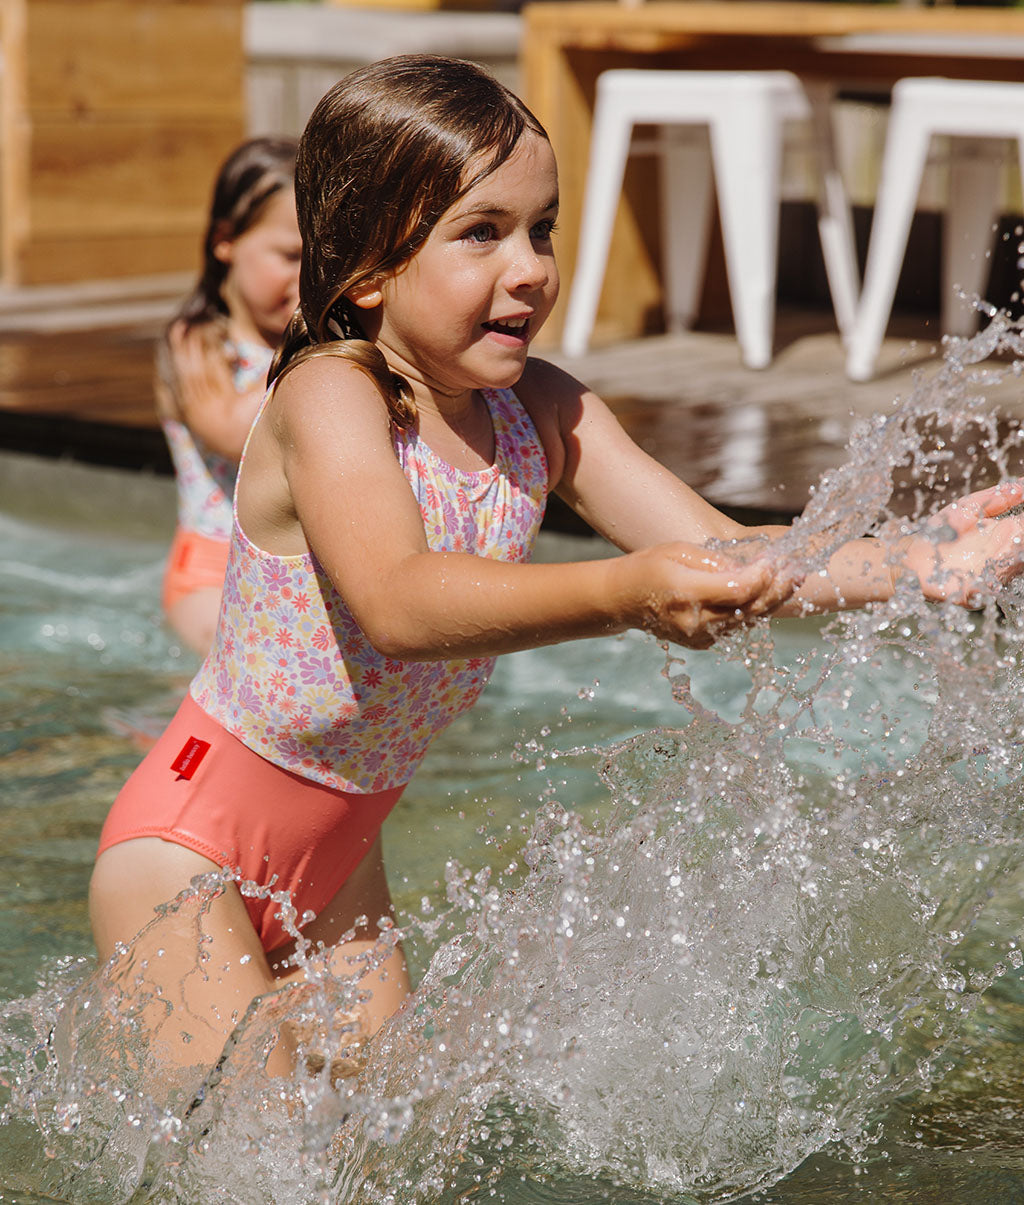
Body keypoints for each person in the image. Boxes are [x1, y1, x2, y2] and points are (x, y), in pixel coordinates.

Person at [89, 55, 1024, 1084]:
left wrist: (919, 560)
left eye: (542, 228)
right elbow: (400, 600)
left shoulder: (541, 408)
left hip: (342, 860)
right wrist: (622, 595)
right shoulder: (331, 397)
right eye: (480, 232)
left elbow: (730, 552)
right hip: (186, 847)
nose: (529, 266)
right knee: (250, 1149)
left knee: (385, 1159)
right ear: (365, 268)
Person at [158, 136, 300, 656]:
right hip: (210, 570)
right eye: (290, 256)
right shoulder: (195, 341)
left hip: (292, 572)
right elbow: (229, 433)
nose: (310, 279)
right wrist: (307, 348)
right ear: (226, 241)